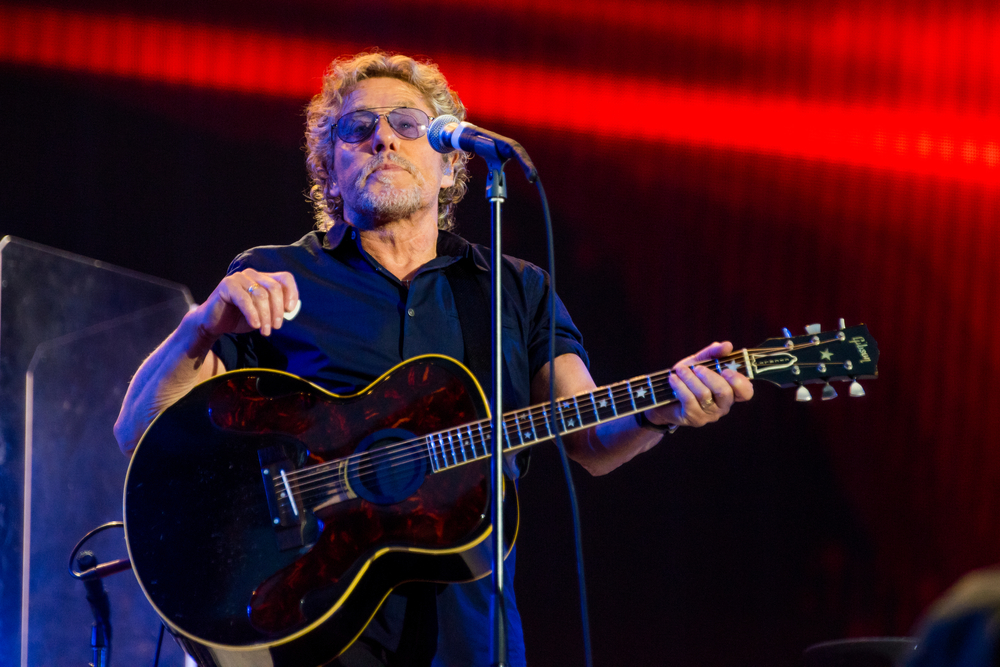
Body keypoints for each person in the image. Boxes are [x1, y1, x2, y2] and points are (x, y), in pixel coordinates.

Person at [114, 50, 754, 667]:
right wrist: (198, 329)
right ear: (330, 170)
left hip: (471, 639)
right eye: (357, 128)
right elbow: (137, 427)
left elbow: (588, 435)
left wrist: (665, 407)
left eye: (408, 125)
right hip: (312, 628)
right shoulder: (277, 274)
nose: (383, 140)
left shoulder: (514, 289)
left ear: (450, 165)